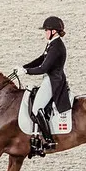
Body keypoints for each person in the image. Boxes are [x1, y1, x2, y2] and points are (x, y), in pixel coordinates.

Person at [16, 16, 71, 152]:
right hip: (50, 78)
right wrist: (24, 67)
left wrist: (27, 71)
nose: (45, 32)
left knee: (36, 108)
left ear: (54, 31)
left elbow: (43, 68)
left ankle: (49, 140)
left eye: (47, 30)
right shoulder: (52, 43)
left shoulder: (57, 46)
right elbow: (41, 58)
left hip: (53, 81)